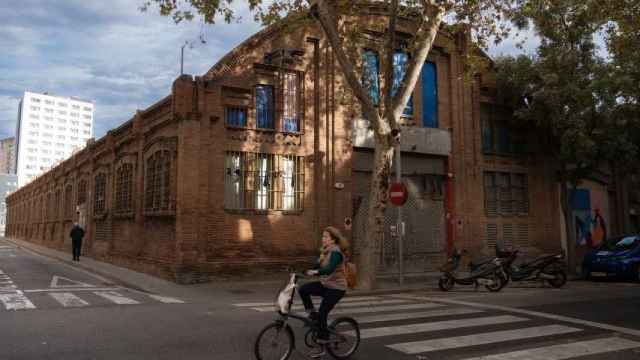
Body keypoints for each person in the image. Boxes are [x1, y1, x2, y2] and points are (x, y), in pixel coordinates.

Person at [299, 226, 349, 358]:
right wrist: (302, 272)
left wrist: (315, 272)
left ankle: (322, 345)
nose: (323, 239)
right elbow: (317, 267)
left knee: (323, 313)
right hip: (326, 284)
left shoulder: (336, 253)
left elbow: (329, 269)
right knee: (303, 289)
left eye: (326, 237)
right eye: (323, 236)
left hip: (337, 288)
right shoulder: (324, 252)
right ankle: (312, 315)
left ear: (333, 240)